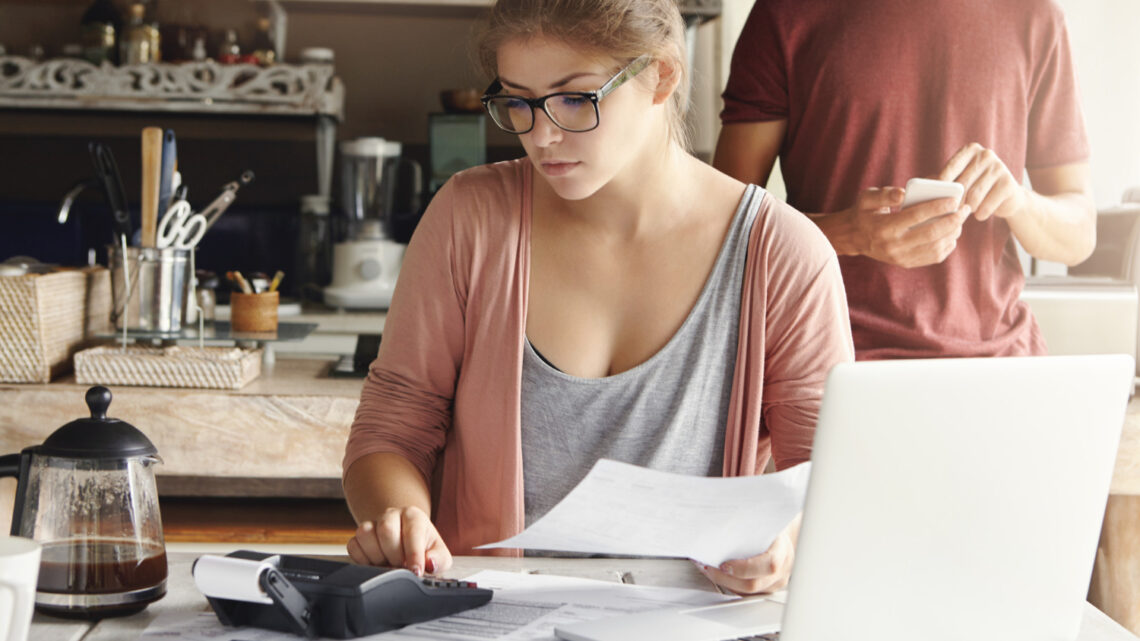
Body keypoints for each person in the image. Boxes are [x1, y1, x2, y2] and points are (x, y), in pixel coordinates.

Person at [342, 0, 853, 595]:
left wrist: (783, 543)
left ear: (661, 74)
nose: (542, 135)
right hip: (484, 619)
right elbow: (392, 432)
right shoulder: (468, 219)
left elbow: (827, 477)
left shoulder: (783, 253)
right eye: (519, 102)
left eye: (574, 98)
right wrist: (402, 519)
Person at [714, 0, 1096, 360]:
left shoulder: (1034, 15)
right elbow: (721, 231)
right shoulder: (785, 11)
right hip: (831, 358)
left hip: (999, 363)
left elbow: (1079, 236)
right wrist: (847, 234)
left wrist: (1018, 202)